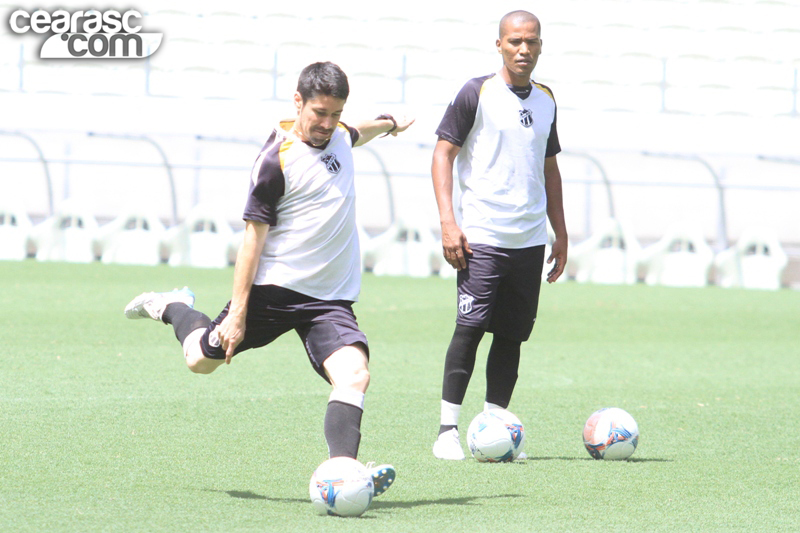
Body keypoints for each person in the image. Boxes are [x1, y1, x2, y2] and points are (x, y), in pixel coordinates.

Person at [124, 61, 414, 492]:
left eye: (335, 114)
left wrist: (389, 123)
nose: (327, 124)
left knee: (355, 375)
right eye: (319, 113)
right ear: (298, 102)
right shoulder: (275, 161)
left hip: (329, 300)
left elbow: (358, 132)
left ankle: (344, 473)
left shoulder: (338, 134)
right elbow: (251, 242)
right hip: (272, 292)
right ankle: (172, 306)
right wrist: (238, 313)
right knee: (200, 361)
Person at [430, 10, 568, 460]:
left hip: (529, 241)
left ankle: (495, 430)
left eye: (531, 41)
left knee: (511, 336)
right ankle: (447, 431)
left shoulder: (546, 99)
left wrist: (560, 232)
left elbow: (549, 167)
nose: (523, 49)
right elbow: (443, 154)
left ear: (541, 45)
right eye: (514, 41)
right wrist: (448, 222)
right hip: (482, 236)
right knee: (469, 329)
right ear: (499, 45)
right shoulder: (477, 93)